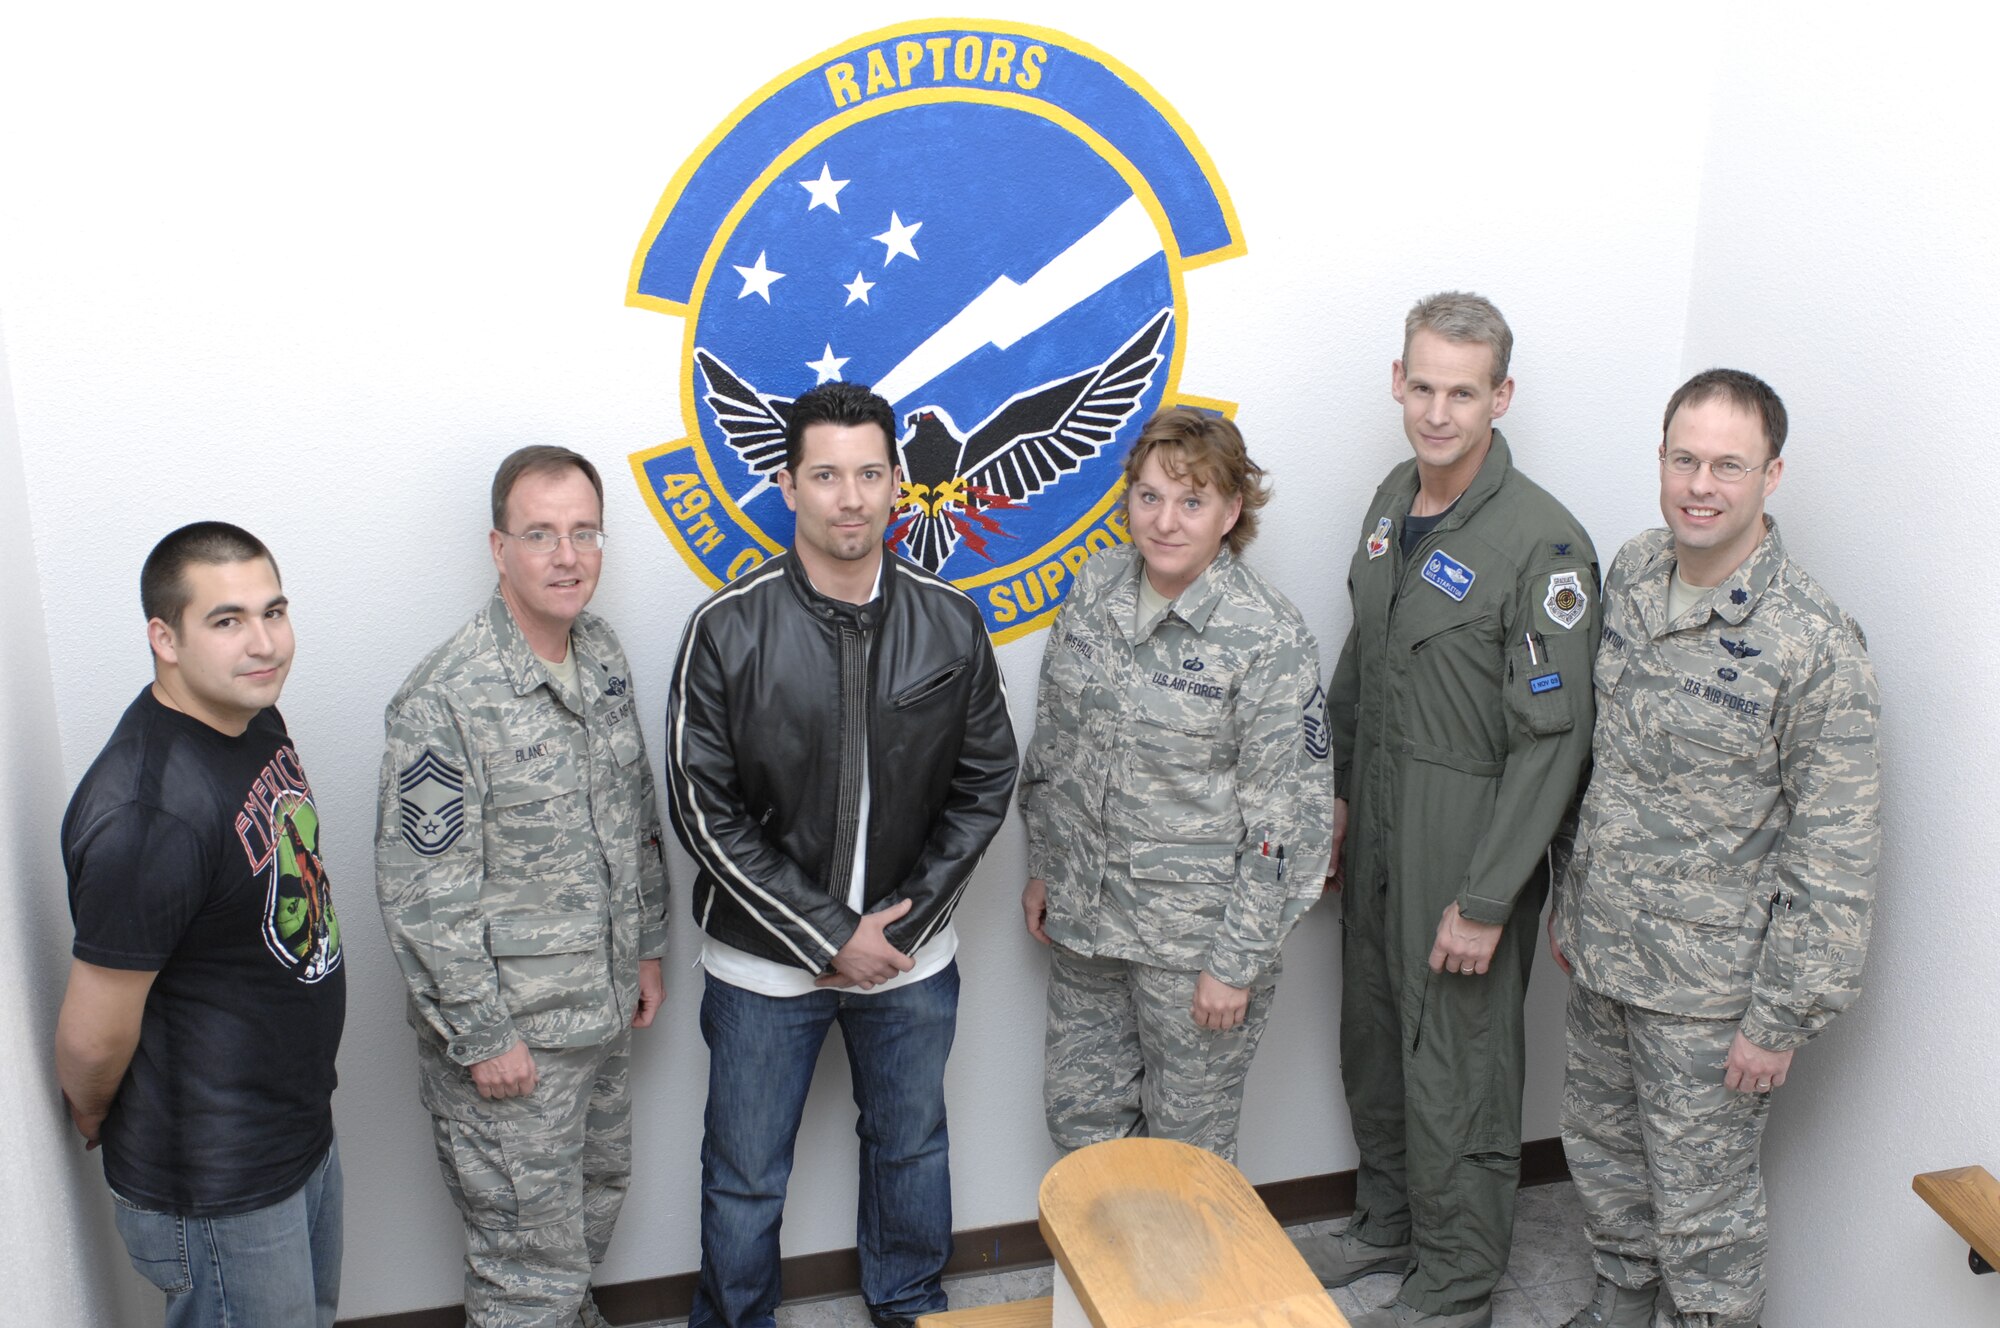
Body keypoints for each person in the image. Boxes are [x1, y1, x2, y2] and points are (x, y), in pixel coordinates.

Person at [664, 380, 1016, 1328]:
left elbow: (987, 781)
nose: (849, 497)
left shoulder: (950, 621)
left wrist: (905, 924)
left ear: (900, 483)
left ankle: (910, 1307)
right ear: (787, 485)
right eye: (826, 475)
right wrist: (827, 935)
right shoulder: (725, 629)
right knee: (743, 1177)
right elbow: (703, 806)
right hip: (762, 967)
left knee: (910, 1149)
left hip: (909, 959)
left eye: (869, 474)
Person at [1551, 370, 1879, 1328]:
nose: (1701, 484)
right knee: (1605, 1167)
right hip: (1605, 954)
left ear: (1771, 474)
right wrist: (1575, 902)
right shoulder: (1634, 571)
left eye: (1727, 465)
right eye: (1684, 459)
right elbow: (1598, 761)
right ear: (1660, 459)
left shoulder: (1813, 644)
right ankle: (1617, 1306)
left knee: (1706, 1219)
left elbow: (1836, 853)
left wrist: (1780, 1017)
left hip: (1713, 996)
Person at [1305, 293, 1600, 1328]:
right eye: (1421, 385)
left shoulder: (1541, 545)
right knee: (1374, 1030)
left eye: (1461, 391)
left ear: (1499, 396)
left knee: (1458, 1062)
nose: (1437, 410)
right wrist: (1335, 796)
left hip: (1464, 826)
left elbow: (1551, 741)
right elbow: (1362, 654)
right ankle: (1387, 1220)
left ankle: (1457, 1280)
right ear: (1397, 380)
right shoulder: (1392, 498)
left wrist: (1485, 895)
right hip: (1378, 808)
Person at [375, 446, 668, 1328]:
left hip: (602, 1010)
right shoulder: (445, 699)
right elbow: (421, 893)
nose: (566, 555)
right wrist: (482, 1035)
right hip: (514, 1050)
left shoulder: (603, 655)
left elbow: (633, 812)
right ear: (498, 548)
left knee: (587, 1222)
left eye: (584, 532)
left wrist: (647, 947)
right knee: (524, 1273)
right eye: (540, 534)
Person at [1018, 407, 1331, 1162]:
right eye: (1149, 496)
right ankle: (1104, 1285)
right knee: (1082, 1126)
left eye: (1192, 502)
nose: (1165, 521)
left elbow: (1289, 822)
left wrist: (1236, 962)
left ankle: (1185, 1289)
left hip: (1194, 947)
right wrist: (1045, 867)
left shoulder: (1268, 636)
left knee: (1184, 1159)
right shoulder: (1095, 590)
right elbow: (1056, 743)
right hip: (1087, 923)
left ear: (1230, 512)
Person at [55, 521, 345, 1326]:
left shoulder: (253, 721)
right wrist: (98, 1108)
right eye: (227, 621)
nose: (265, 643)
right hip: (217, 1181)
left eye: (274, 611)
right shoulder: (148, 816)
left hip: (294, 1132)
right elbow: (90, 1040)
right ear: (165, 637)